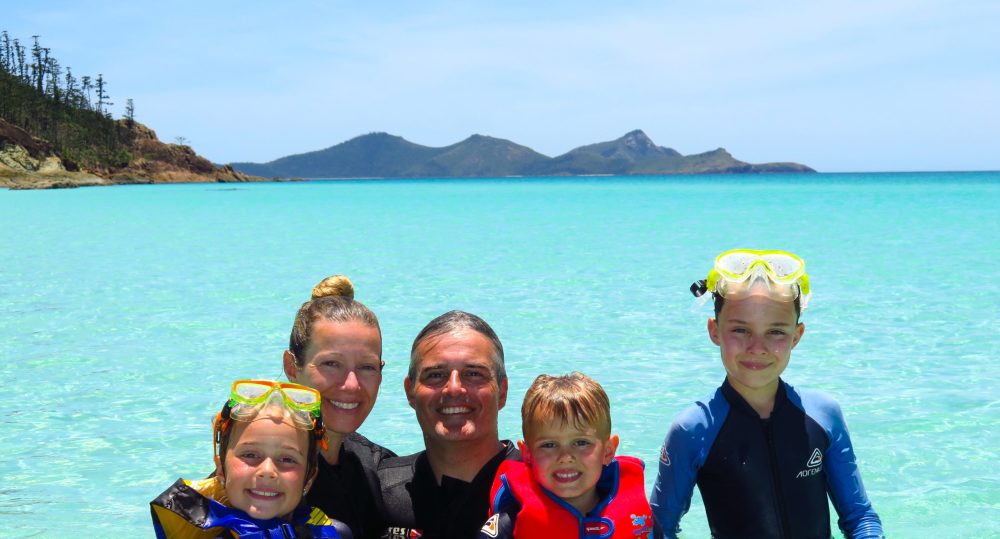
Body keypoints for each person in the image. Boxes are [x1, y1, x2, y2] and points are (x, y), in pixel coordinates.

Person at [650, 249, 884, 539]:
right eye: (740, 330)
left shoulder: (823, 414)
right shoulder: (693, 429)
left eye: (775, 332)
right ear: (714, 330)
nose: (757, 347)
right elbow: (659, 529)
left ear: (797, 336)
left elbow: (860, 518)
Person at [376, 310, 519, 539]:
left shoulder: (544, 488)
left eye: (473, 373)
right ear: (410, 392)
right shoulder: (377, 492)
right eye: (435, 375)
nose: (453, 388)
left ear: (502, 392)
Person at [151, 380, 352, 538]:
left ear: (309, 477)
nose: (267, 470)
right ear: (221, 468)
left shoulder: (336, 533)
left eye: (287, 459)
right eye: (250, 455)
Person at [283, 275, 396, 539]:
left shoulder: (378, 468)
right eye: (331, 364)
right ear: (291, 367)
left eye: (367, 367)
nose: (351, 385)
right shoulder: (257, 476)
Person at [479, 372, 656, 539]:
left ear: (608, 451)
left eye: (581, 442)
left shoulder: (636, 516)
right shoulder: (511, 521)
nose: (565, 456)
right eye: (549, 445)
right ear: (527, 454)